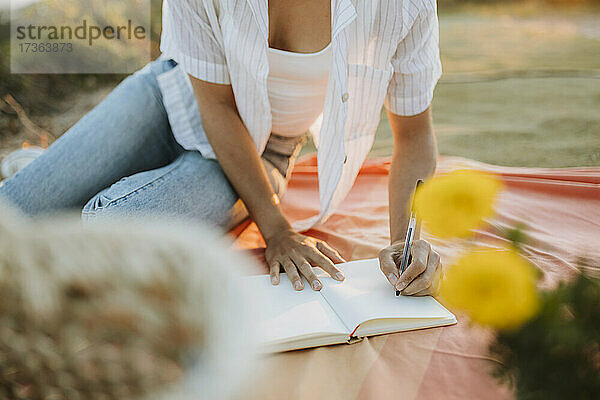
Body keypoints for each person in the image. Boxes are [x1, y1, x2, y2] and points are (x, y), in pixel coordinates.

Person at [0, 0, 443, 295]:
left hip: (261, 152)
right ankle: (47, 174)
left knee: (108, 235)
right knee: (10, 217)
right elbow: (216, 105)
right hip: (168, 96)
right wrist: (277, 231)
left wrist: (407, 243)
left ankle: (58, 176)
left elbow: (414, 137)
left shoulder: (400, 6)